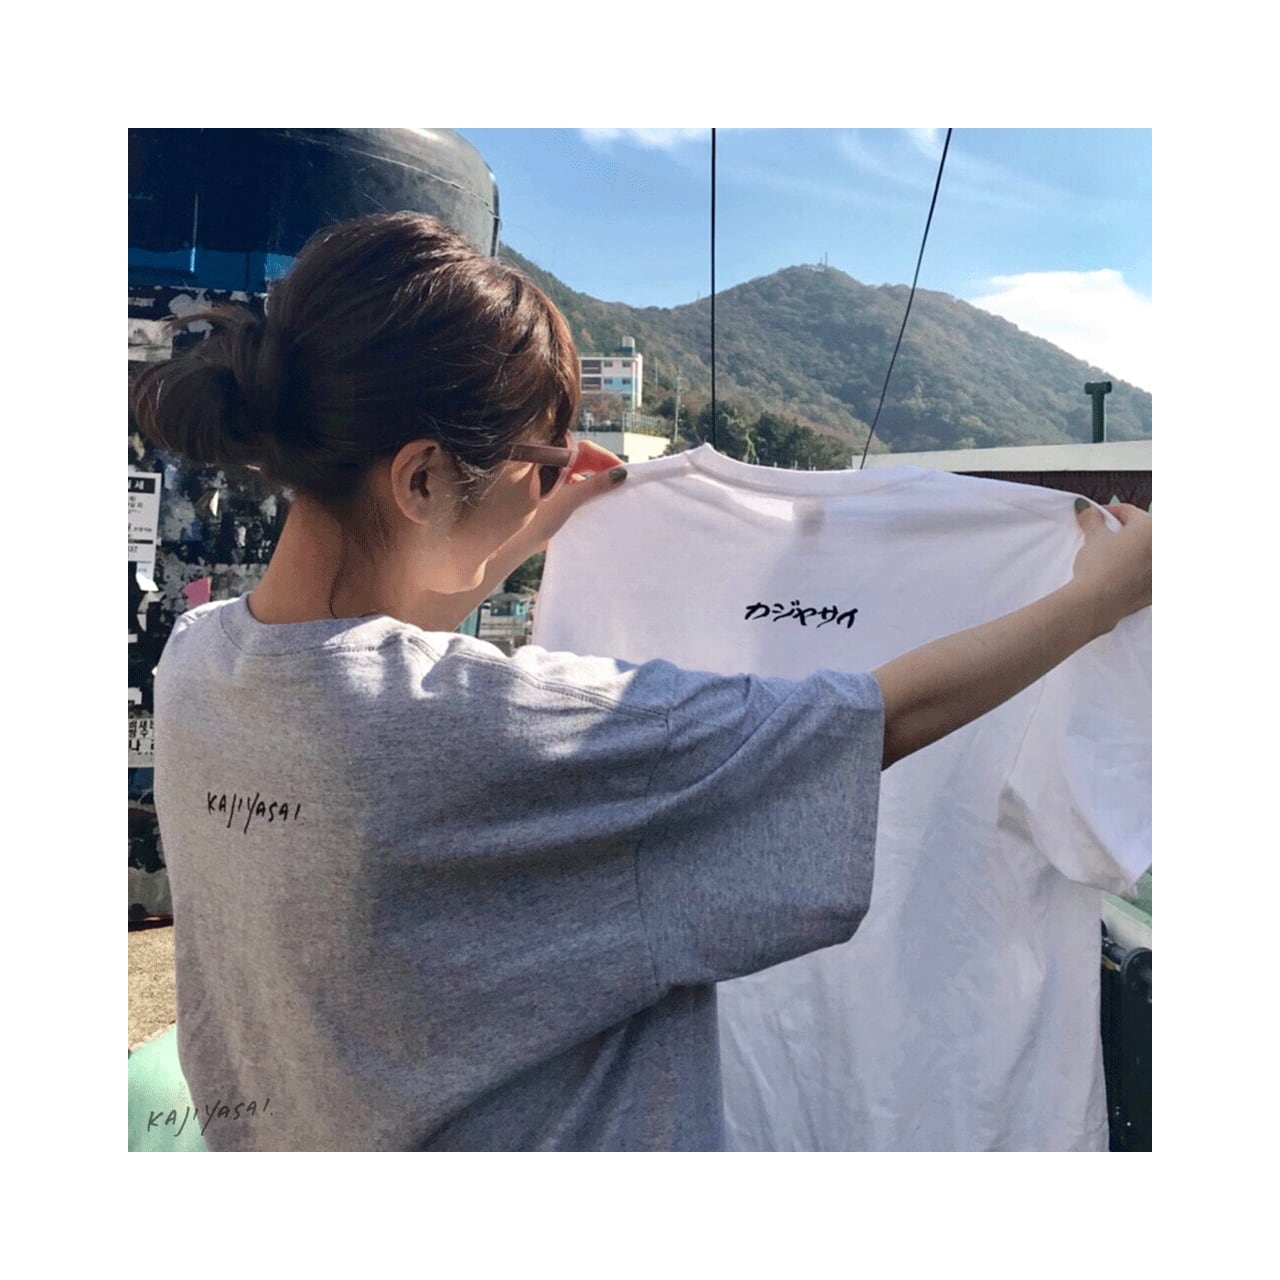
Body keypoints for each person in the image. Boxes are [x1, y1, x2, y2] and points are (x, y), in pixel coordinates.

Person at [129, 211, 1152, 1152]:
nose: (558, 475)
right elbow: (866, 720)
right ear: (423, 478)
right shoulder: (523, 730)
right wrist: (1097, 599)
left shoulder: (201, 662)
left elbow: (361, 674)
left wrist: (525, 530)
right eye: (541, 460)